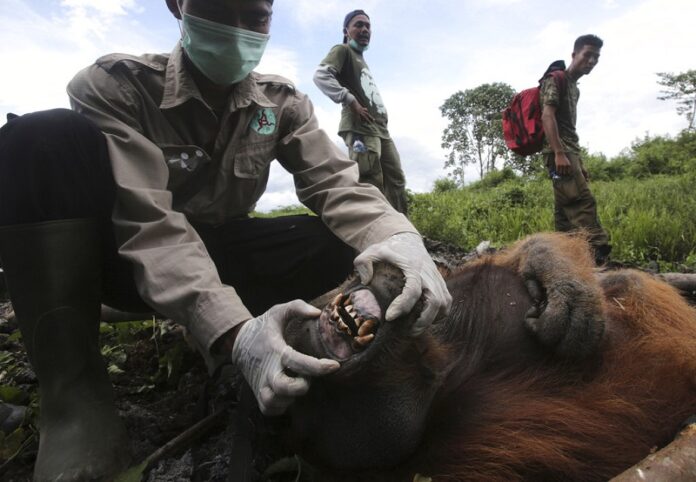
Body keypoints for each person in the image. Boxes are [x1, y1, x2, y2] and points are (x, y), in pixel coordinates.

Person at [0, 1, 452, 480]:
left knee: (340, 238)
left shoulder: (281, 103)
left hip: (222, 255)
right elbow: (150, 226)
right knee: (39, 139)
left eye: (255, 17)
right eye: (217, 7)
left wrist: (401, 238)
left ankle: (276, 339)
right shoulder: (116, 87)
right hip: (123, 261)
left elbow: (337, 185)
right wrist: (236, 333)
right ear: (178, 4)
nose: (237, 32)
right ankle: (74, 398)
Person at [313, 9, 409, 215]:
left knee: (396, 181)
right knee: (370, 180)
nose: (365, 29)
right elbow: (321, 75)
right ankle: (376, 235)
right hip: (361, 127)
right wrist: (349, 99)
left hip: (380, 129)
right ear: (346, 30)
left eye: (368, 26)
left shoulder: (360, 59)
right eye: (358, 25)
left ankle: (402, 231)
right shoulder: (343, 50)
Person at [540, 34, 612, 265]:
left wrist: (578, 162)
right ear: (574, 55)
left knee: (564, 210)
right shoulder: (556, 79)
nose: (591, 61)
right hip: (558, 152)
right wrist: (560, 153)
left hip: (568, 153)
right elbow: (547, 115)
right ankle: (598, 255)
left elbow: (569, 127)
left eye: (596, 57)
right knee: (582, 202)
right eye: (587, 55)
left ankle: (564, 258)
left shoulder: (574, 87)